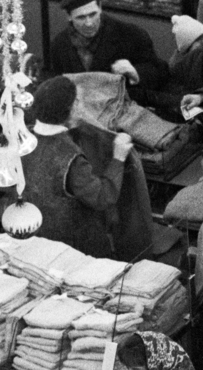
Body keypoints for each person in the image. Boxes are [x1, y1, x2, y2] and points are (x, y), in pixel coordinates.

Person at [17, 77, 132, 260]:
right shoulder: (71, 158)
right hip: (76, 250)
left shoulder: (22, 139)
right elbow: (103, 197)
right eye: (77, 101)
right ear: (71, 109)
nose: (81, 105)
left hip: (36, 241)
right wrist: (118, 157)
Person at [48, 0, 161, 86]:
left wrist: (135, 72)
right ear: (69, 17)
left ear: (100, 8)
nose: (89, 23)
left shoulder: (130, 35)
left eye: (93, 15)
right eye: (81, 18)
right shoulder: (59, 45)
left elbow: (160, 72)